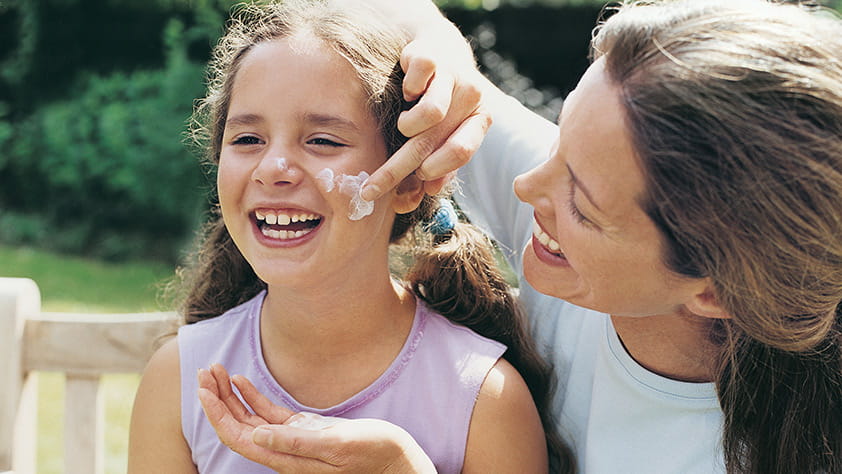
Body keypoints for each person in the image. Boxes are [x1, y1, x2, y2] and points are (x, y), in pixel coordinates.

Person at [202, 0, 842, 472]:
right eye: (559, 140)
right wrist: (440, 44)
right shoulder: (589, 188)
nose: (528, 185)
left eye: (582, 204)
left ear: (714, 293)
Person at [126, 0, 567, 472]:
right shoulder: (177, 381)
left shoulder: (484, 399)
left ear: (410, 182)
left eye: (323, 141)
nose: (273, 168)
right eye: (247, 139)